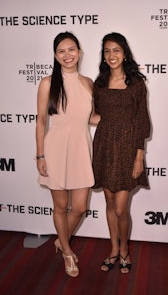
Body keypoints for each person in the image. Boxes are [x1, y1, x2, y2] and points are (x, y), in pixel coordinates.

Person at [36, 31, 97, 277]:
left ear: (79, 52)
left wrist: (117, 119)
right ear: (55, 55)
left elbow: (90, 117)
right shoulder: (48, 83)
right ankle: (68, 253)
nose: (67, 55)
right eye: (61, 51)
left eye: (71, 49)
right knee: (61, 206)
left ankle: (62, 240)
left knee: (79, 207)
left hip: (81, 148)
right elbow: (41, 121)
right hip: (55, 149)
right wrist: (40, 156)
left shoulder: (88, 82)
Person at [92, 32, 151, 274]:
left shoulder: (136, 83)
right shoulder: (99, 84)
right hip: (104, 145)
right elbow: (94, 115)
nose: (111, 55)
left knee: (120, 208)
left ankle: (124, 249)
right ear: (103, 56)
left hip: (128, 148)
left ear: (124, 53)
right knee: (108, 203)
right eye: (107, 51)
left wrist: (139, 155)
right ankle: (113, 250)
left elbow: (142, 121)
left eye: (116, 50)